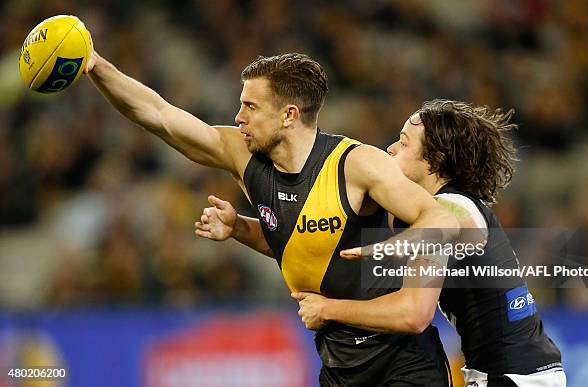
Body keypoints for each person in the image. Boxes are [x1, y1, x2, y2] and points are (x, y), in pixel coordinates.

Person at [84, 47, 458, 386]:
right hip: (338, 362)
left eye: (251, 106)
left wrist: (386, 249)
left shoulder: (356, 164)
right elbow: (159, 115)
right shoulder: (243, 156)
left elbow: (441, 221)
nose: (238, 117)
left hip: (404, 362)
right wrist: (97, 66)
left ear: (288, 115)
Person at [196, 100, 566, 387]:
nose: (389, 149)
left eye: (403, 143)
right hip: (515, 371)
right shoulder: (416, 214)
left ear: (434, 160)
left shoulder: (450, 207)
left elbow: (412, 312)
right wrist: (241, 228)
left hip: (512, 377)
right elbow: (318, 246)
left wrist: (329, 310)